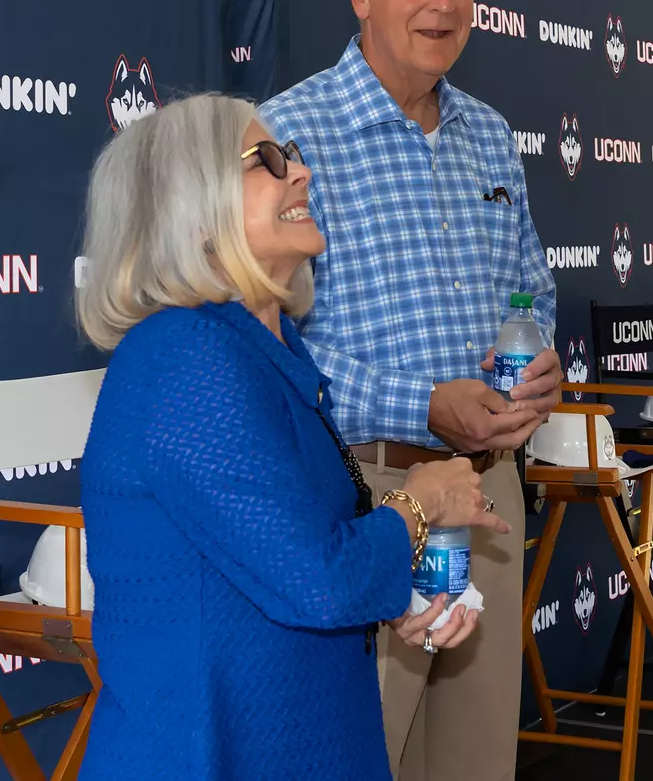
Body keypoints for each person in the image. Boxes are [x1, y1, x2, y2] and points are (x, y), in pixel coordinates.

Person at [75, 93, 509, 780]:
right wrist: (422, 504)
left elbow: (294, 552)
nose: (301, 173)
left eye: (295, 157)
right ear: (193, 210)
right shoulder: (183, 356)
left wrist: (401, 588)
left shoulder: (270, 349)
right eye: (266, 161)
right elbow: (319, 578)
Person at [260, 0, 562, 781]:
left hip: (487, 494)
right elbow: (271, 348)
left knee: (473, 765)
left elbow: (532, 289)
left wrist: (536, 365)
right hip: (362, 496)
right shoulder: (287, 135)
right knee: (362, 756)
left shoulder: (492, 137)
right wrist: (424, 404)